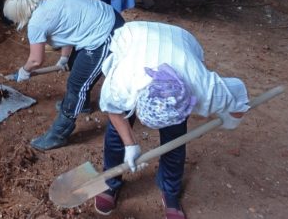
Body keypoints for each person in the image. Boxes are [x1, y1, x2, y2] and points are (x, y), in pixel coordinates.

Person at [95, 21, 250, 219]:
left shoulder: (206, 88)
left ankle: (170, 191)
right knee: (118, 129)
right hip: (133, 36)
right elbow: (113, 110)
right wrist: (130, 145)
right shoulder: (122, 82)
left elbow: (239, 95)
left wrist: (230, 123)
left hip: (182, 40)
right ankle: (110, 181)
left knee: (175, 139)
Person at [3, 0, 125, 151]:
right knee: (77, 66)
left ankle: (58, 135)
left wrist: (24, 71)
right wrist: (64, 58)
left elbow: (36, 60)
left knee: (77, 85)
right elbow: (69, 30)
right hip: (109, 19)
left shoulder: (36, 24)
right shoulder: (51, 3)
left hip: (107, 33)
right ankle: (83, 105)